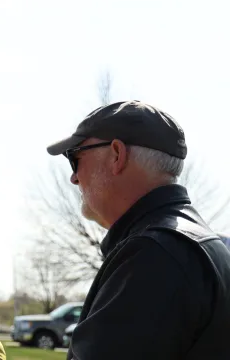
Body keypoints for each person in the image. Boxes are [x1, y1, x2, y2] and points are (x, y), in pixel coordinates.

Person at [45, 100, 230, 359]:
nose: (74, 178)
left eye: (75, 157)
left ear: (117, 155)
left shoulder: (154, 254)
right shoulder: (200, 243)